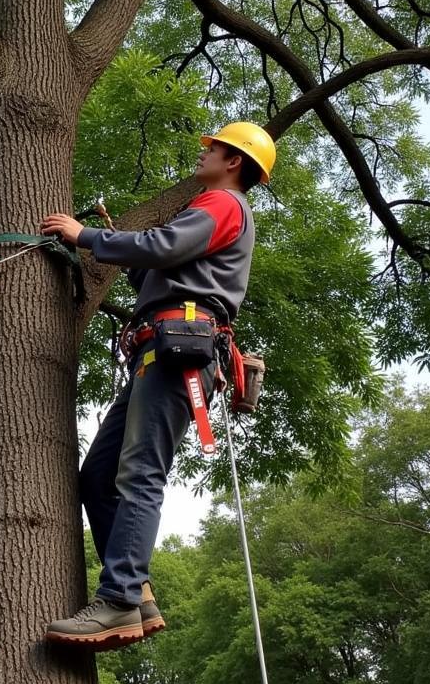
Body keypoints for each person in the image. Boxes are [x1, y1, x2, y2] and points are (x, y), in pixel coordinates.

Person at [39, 122, 276, 648]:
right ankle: (136, 591)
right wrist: (132, 265)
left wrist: (89, 238)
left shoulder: (223, 203)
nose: (205, 153)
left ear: (234, 161)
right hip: (158, 348)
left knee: (140, 472)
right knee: (98, 477)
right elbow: (163, 265)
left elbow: (163, 245)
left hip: (179, 351)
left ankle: (118, 599)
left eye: (212, 148)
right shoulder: (218, 209)